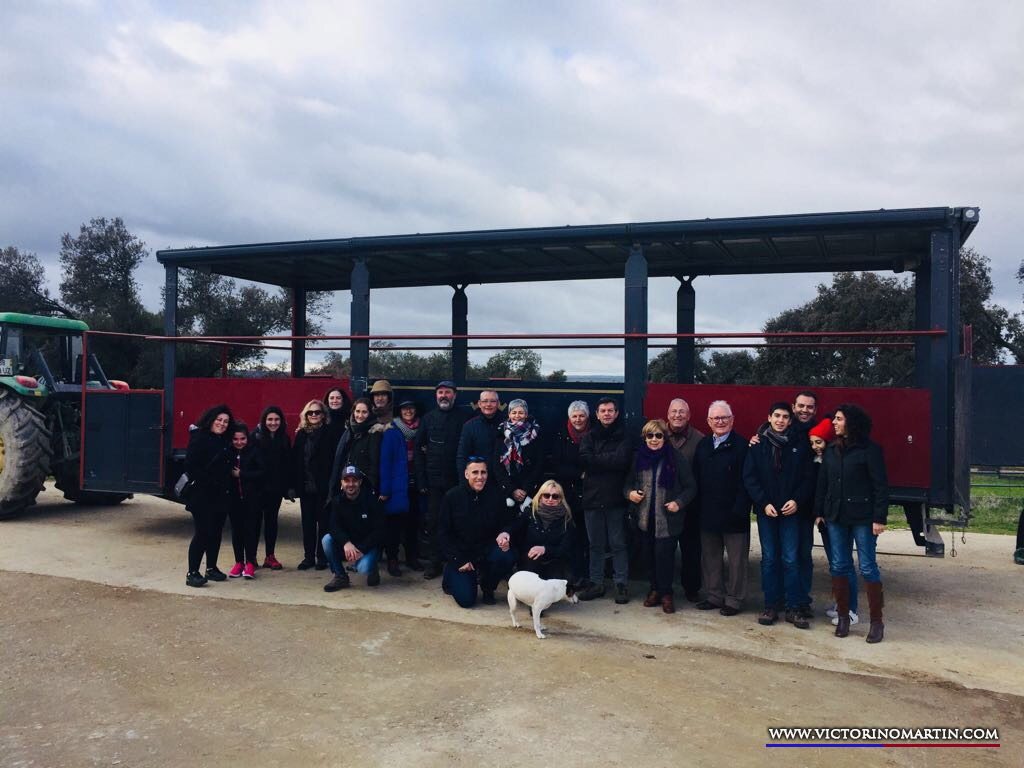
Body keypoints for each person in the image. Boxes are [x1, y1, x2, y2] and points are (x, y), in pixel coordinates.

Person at [815, 404, 889, 643]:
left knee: (867, 567)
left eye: (838, 419)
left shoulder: (870, 450)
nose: (834, 423)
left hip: (863, 518)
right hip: (835, 516)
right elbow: (823, 482)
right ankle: (844, 617)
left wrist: (879, 518)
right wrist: (819, 511)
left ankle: (877, 622)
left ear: (851, 423)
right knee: (839, 565)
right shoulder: (831, 450)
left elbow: (880, 486)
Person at [744, 402, 814, 629]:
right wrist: (763, 503)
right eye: (777, 416)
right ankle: (770, 606)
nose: (780, 420)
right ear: (769, 418)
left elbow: (808, 478)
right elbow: (750, 477)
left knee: (791, 560)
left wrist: (797, 501)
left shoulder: (800, 445)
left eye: (785, 417)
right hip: (767, 512)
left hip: (790, 512)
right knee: (769, 559)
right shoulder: (758, 445)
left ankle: (794, 608)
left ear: (790, 420)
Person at [625, 419, 697, 614]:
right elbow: (627, 484)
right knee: (649, 558)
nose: (654, 439)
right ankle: (654, 590)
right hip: (644, 520)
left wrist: (678, 503)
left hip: (667, 520)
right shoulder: (638, 458)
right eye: (650, 436)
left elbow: (691, 487)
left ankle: (666, 594)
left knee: (664, 559)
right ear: (645, 438)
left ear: (665, 438)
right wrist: (630, 494)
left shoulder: (676, 458)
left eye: (658, 435)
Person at [693, 401, 752, 616]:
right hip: (708, 513)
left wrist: (740, 509)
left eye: (724, 417)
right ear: (709, 421)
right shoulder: (703, 445)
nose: (720, 421)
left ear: (732, 420)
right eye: (716, 418)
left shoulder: (743, 446)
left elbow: (747, 481)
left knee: (737, 562)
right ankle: (714, 596)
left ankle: (734, 600)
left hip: (734, 514)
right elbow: (696, 478)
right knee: (710, 559)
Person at [437, 458, 518, 608]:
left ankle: (488, 587)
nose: (480, 477)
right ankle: (450, 574)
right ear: (466, 474)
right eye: (475, 472)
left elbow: (509, 522)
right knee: (467, 601)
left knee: (506, 556)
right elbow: (443, 533)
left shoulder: (496, 495)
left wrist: (505, 533)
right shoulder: (452, 497)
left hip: (486, 550)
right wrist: (457, 559)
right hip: (462, 554)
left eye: (483, 472)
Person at [577, 397, 633, 604]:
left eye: (610, 410)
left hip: (616, 499)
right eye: (603, 411)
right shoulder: (589, 437)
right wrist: (609, 460)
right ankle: (596, 583)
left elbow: (622, 461)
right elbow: (585, 460)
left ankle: (621, 584)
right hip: (592, 499)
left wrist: (597, 461)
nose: (607, 414)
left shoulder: (625, 436)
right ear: (597, 414)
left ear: (616, 413)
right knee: (595, 545)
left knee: (618, 544)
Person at [414, 381, 471, 580]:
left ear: (455, 395)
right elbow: (418, 451)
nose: (444, 395)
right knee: (434, 523)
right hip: (433, 484)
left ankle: (457, 561)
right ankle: (434, 562)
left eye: (447, 392)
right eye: (440, 392)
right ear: (436, 396)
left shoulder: (465, 418)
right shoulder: (428, 419)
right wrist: (421, 481)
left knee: (459, 522)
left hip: (458, 482)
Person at [809, 418, 859, 625]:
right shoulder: (821, 460)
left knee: (843, 562)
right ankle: (841, 604)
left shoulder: (835, 460)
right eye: (812, 443)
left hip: (838, 516)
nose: (815, 447)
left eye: (819, 442)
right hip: (826, 517)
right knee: (835, 562)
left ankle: (851, 608)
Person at [183, 405, 235, 587]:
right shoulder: (199, 438)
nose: (222, 424)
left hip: (220, 495)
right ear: (211, 420)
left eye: (226, 421)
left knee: (216, 533)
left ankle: (211, 568)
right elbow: (191, 466)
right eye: (219, 420)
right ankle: (192, 573)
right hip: (202, 496)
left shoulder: (224, 439)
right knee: (202, 533)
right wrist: (211, 481)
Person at [666, 397, 705, 602]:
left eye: (682, 412)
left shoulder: (700, 439)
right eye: (674, 411)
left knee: (691, 550)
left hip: (690, 504)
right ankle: (662, 589)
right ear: (668, 414)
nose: (677, 415)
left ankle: (692, 588)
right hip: (664, 505)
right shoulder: (657, 434)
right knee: (664, 551)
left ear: (689, 416)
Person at [322, 466, 385, 591]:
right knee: (326, 540)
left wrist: (362, 549)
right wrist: (346, 543)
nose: (350, 484)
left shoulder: (371, 501)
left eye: (354, 480)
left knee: (363, 568)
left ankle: (373, 569)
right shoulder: (337, 501)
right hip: (349, 545)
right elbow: (333, 527)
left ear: (360, 482)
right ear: (341, 482)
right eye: (347, 480)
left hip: (368, 546)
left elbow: (380, 530)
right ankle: (340, 576)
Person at [551, 400, 591, 585]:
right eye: (574, 416)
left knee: (589, 536)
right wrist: (579, 474)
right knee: (572, 535)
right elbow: (556, 465)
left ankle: (589, 575)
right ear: (569, 417)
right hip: (569, 493)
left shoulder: (594, 434)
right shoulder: (561, 435)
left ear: (587, 417)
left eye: (582, 415)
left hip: (591, 491)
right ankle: (575, 573)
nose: (578, 419)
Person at [292, 400, 334, 571]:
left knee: (323, 524)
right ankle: (308, 557)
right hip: (306, 486)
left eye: (317, 412)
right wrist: (295, 486)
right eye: (310, 413)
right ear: (306, 415)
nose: (314, 415)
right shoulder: (301, 434)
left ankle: (321, 557)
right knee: (307, 524)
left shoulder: (330, 433)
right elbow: (296, 461)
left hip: (323, 487)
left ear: (323, 415)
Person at [509, 479, 576, 579]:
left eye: (555, 496)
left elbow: (564, 549)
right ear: (540, 496)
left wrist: (545, 549)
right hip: (530, 561)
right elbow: (514, 527)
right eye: (546, 495)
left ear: (560, 499)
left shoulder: (567, 520)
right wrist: (505, 533)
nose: (550, 499)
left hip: (555, 562)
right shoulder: (530, 513)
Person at [251, 406, 291, 570]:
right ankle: (251, 557)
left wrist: (287, 487)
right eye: (270, 419)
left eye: (276, 419)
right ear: (264, 420)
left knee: (271, 522)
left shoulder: (284, 438)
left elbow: (287, 463)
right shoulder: (255, 437)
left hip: (275, 489)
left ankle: (270, 556)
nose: (273, 423)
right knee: (254, 522)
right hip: (257, 488)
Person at [226, 423, 265, 580]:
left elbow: (262, 473)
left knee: (250, 531)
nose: (239, 442)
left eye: (242, 439)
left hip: (252, 499)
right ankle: (238, 562)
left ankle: (250, 563)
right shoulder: (228, 452)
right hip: (234, 499)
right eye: (235, 439)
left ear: (247, 438)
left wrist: (242, 474)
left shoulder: (255, 451)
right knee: (236, 531)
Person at [390, 399, 425, 573]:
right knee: (395, 523)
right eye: (405, 409)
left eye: (411, 408)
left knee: (413, 522)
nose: (408, 411)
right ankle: (393, 559)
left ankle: (412, 557)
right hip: (398, 481)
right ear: (400, 411)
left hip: (415, 479)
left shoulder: (422, 427)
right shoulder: (393, 428)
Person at [378, 403, 410, 577]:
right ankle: (389, 559)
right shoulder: (392, 433)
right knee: (389, 528)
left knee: (394, 527)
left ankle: (391, 558)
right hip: (390, 488)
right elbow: (385, 463)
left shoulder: (395, 433)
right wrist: (385, 490)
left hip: (396, 486)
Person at [494, 398, 543, 508]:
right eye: (514, 412)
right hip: (507, 491)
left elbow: (539, 464)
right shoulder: (501, 433)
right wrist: (512, 490)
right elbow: (497, 465)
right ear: (509, 414)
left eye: (521, 412)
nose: (517, 416)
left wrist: (525, 489)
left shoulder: (535, 433)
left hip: (529, 490)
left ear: (526, 414)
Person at [328, 397, 381, 494]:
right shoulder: (349, 431)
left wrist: (371, 487)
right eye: (357, 411)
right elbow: (339, 460)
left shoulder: (374, 433)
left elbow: (374, 464)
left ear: (370, 413)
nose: (360, 415)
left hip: (363, 487)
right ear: (353, 412)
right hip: (346, 485)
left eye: (364, 412)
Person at [456, 390, 503, 476]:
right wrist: (464, 481)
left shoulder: (507, 425)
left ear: (498, 404)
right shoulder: (469, 426)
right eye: (485, 401)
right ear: (479, 404)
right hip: (478, 479)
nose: (488, 404)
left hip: (503, 479)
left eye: (492, 401)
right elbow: (462, 457)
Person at [323, 386, 352, 458]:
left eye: (338, 398)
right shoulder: (322, 418)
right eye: (331, 398)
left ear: (343, 400)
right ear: (327, 400)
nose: (335, 401)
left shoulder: (351, 418)